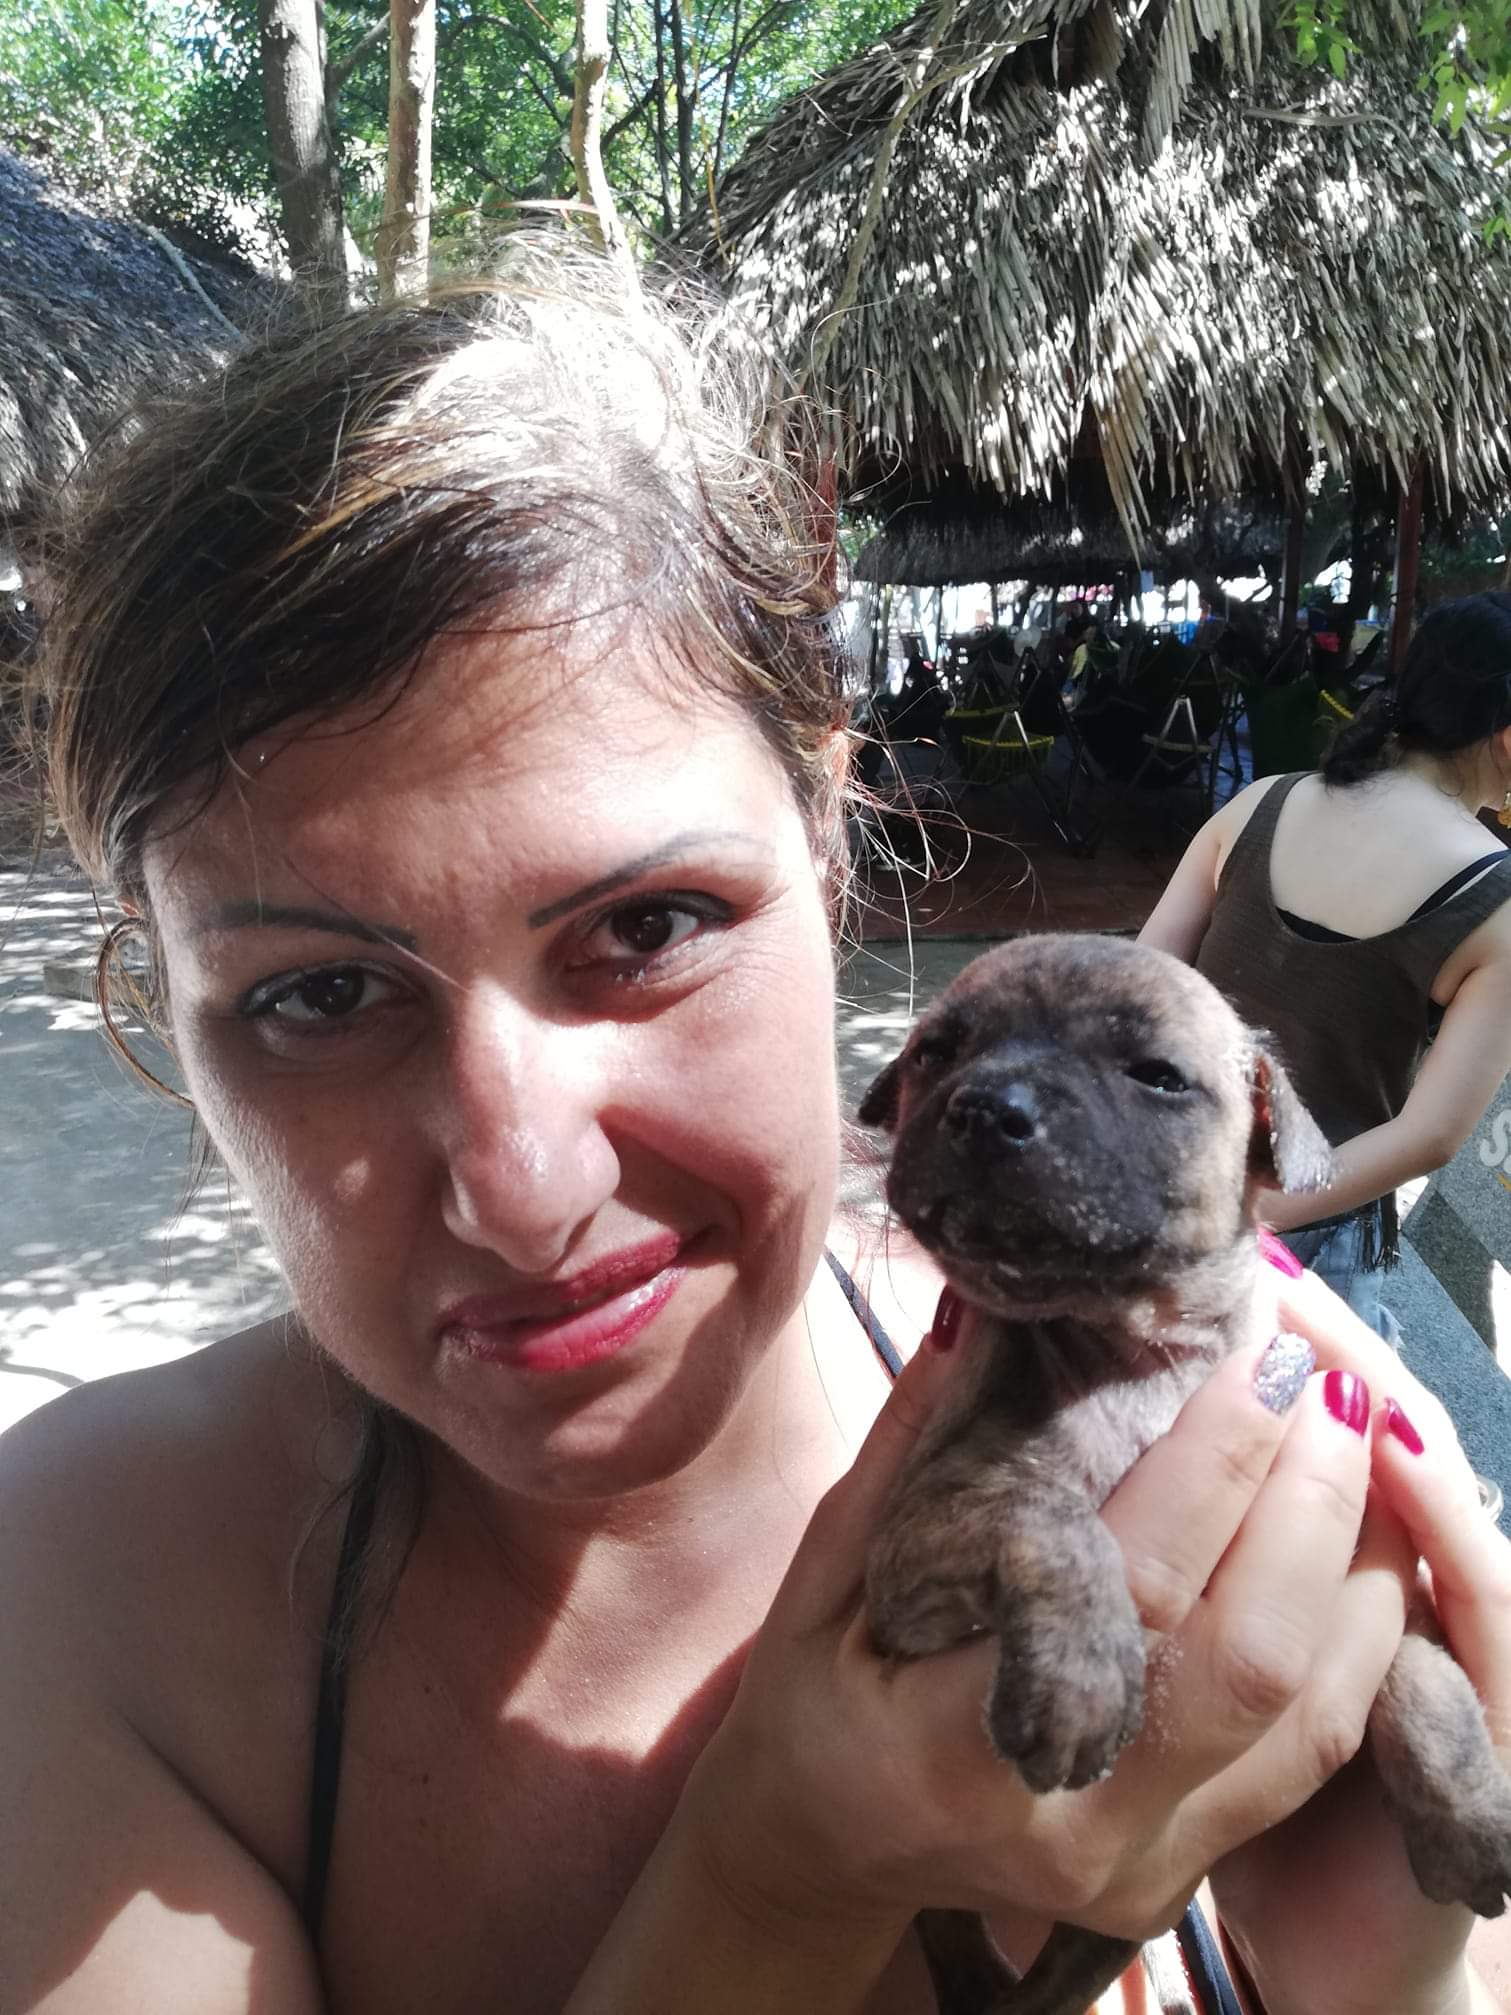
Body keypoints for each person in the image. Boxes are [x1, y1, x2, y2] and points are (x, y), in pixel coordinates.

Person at [3, 240, 1510, 2015]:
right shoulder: (79, 1598)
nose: (525, 1189)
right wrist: (776, 1880)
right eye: (320, 996)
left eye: (644, 927)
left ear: (828, 833)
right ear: (166, 1008)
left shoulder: (1245, 1399)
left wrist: (1388, 1979)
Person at [1139, 592, 1511, 1339]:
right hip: (1312, 1236)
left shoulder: (1260, 802)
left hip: (1168, 1177)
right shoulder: (1492, 898)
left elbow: (1136, 984)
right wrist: (1251, 1211)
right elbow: (1428, 1135)